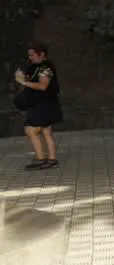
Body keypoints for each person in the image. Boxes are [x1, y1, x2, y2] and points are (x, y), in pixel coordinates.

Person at [14, 41, 62, 170]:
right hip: (43, 104)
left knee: (30, 129)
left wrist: (24, 82)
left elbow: (42, 86)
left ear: (42, 55)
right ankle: (52, 160)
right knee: (46, 132)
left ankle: (41, 159)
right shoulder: (36, 67)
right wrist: (23, 77)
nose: (30, 58)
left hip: (44, 104)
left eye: (32, 55)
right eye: (29, 55)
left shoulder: (46, 68)